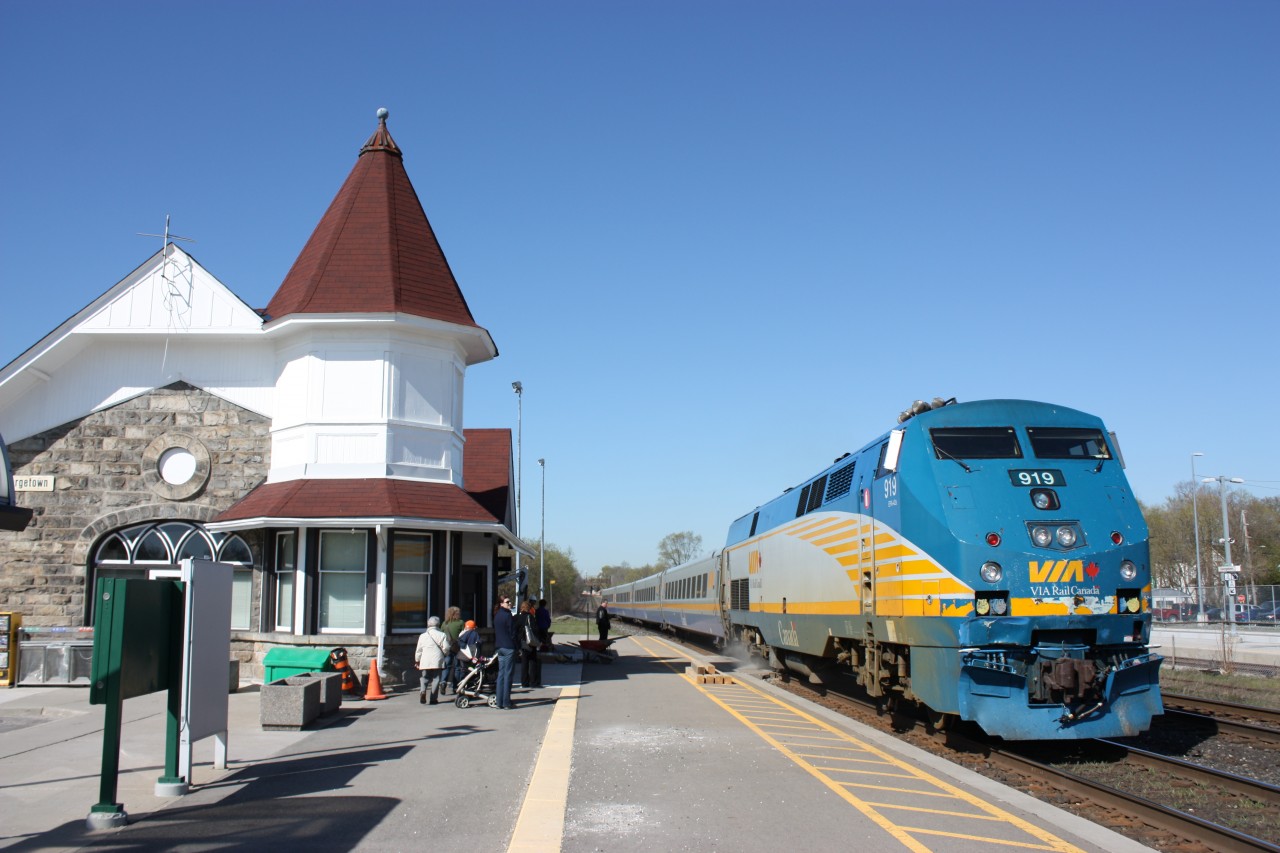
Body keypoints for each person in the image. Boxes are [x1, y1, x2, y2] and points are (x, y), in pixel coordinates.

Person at [414, 615, 451, 705]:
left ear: (428, 624)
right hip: (437, 659)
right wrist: (445, 654)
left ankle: (423, 691)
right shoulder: (442, 635)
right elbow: (446, 647)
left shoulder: (422, 636)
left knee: (425, 677)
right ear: (438, 624)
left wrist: (417, 660)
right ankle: (433, 699)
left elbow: (419, 650)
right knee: (436, 678)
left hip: (425, 660)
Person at [493, 596, 517, 709]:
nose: (510, 603)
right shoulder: (508, 615)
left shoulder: (497, 615)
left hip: (499, 646)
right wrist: (516, 645)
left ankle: (499, 701)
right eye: (507, 602)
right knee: (508, 674)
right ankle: (506, 702)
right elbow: (512, 632)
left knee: (501, 674)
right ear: (501, 604)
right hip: (508, 647)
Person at [514, 600, 542, 689]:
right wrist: (539, 640)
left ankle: (524, 682)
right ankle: (533, 681)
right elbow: (535, 629)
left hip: (521, 642)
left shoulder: (517, 617)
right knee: (532, 661)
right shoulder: (530, 617)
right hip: (530, 642)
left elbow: (515, 630)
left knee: (524, 663)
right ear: (529, 608)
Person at [441, 606, 464, 694]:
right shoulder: (460, 623)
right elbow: (464, 634)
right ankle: (455, 686)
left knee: (446, 666)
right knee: (457, 667)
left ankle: (443, 682)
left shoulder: (444, 623)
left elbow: (441, 635)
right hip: (457, 647)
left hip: (447, 648)